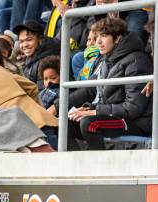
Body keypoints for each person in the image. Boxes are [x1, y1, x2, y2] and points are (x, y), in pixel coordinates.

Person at [65, 17, 152, 150]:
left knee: (90, 124)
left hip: (137, 122)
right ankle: (80, 167)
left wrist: (95, 112)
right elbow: (100, 95)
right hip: (118, 116)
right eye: (97, 36)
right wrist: (89, 108)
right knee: (65, 124)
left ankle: (101, 167)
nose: (98, 42)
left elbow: (133, 108)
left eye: (104, 36)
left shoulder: (136, 60)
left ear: (117, 38)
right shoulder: (106, 60)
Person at [13, 20, 60, 88]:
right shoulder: (31, 57)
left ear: (40, 39)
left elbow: (42, 92)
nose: (24, 45)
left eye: (29, 40)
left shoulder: (48, 61)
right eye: (21, 41)